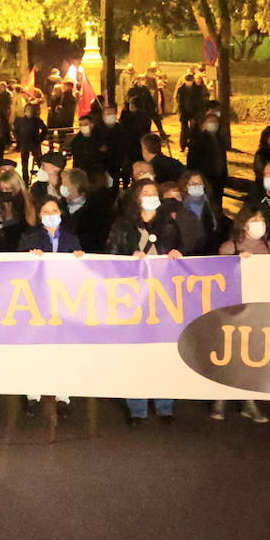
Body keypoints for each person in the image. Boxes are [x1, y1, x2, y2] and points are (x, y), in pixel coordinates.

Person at [106, 179, 182, 425]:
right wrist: (129, 260)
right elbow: (110, 258)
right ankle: (136, 406)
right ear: (136, 198)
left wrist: (176, 255)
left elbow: (181, 253)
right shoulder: (123, 225)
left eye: (153, 192)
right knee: (136, 352)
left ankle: (165, 404)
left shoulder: (169, 225)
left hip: (163, 297)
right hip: (133, 297)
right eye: (145, 193)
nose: (150, 196)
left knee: (163, 351)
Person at [210, 204, 270, 424]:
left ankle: (248, 402)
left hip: (259, 309)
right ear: (243, 222)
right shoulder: (229, 247)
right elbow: (218, 278)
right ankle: (220, 398)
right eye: (253, 219)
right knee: (229, 355)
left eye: (261, 219)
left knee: (253, 357)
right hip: (233, 309)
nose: (258, 224)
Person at [185, 111, 227, 201]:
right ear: (204, 124)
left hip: (218, 179)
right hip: (205, 177)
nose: (214, 124)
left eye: (215, 122)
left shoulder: (220, 139)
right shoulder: (198, 140)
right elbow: (192, 161)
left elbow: (222, 159)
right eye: (211, 121)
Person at [175, 71, 209, 151]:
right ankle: (183, 145)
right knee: (184, 129)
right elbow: (178, 101)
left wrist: (199, 111)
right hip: (184, 112)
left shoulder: (198, 89)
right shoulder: (181, 89)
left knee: (194, 129)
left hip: (194, 111)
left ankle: (193, 144)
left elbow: (199, 101)